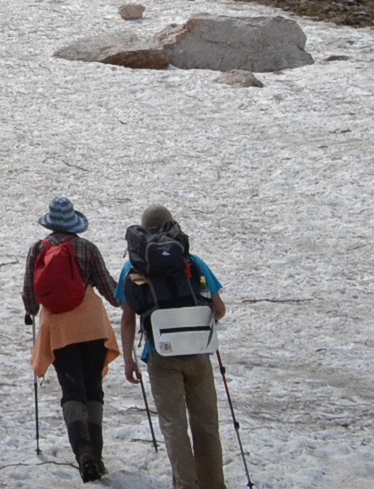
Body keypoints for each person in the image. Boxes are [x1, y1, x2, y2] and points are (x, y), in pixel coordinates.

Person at [115, 204, 229, 489]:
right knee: (206, 425)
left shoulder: (133, 266)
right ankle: (214, 484)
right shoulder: (193, 261)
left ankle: (185, 485)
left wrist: (128, 359)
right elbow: (220, 309)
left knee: (174, 426)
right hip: (198, 354)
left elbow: (128, 318)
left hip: (161, 355)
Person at [23, 196, 119, 482]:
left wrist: (31, 312)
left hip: (59, 329)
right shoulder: (88, 248)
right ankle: (97, 456)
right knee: (93, 389)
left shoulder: (38, 249)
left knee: (72, 390)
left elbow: (30, 297)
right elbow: (111, 292)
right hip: (92, 324)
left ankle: (83, 454)